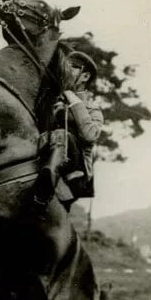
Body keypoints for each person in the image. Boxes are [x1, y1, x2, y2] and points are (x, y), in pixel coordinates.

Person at [34, 51, 103, 210]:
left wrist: (69, 95)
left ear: (85, 76)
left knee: (61, 135)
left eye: (70, 67)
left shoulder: (93, 109)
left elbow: (90, 134)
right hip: (38, 161)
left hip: (74, 177)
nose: (63, 70)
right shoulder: (50, 101)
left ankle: (47, 181)